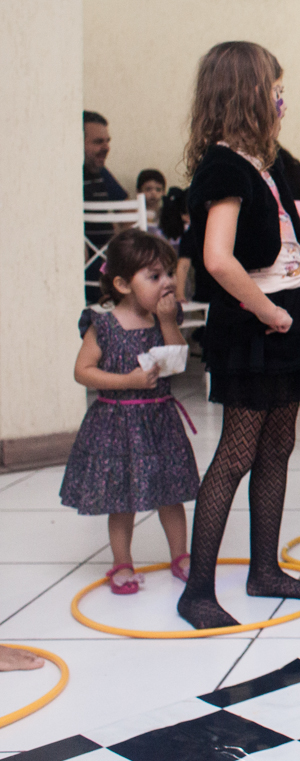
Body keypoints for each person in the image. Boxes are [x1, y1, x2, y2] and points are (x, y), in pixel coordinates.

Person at [179, 41, 300, 629]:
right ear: (249, 95)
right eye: (274, 87)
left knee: (277, 447)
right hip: (256, 325)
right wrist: (268, 311)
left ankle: (264, 570)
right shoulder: (223, 167)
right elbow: (218, 260)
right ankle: (197, 592)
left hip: (286, 316)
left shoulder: (264, 162)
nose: (282, 99)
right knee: (236, 454)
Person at [60, 229, 199, 594]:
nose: (167, 282)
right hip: (116, 423)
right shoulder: (102, 325)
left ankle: (181, 555)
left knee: (171, 493)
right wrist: (128, 381)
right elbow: (83, 371)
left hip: (159, 420)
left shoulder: (164, 317)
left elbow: (178, 362)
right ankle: (121, 562)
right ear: (122, 284)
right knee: (120, 498)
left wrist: (168, 321)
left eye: (168, 273)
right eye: (154, 277)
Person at [84, 111, 129, 302]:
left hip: (110, 267)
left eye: (107, 141)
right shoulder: (70, 175)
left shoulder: (101, 172)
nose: (106, 147)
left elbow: (127, 211)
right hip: (86, 272)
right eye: (98, 142)